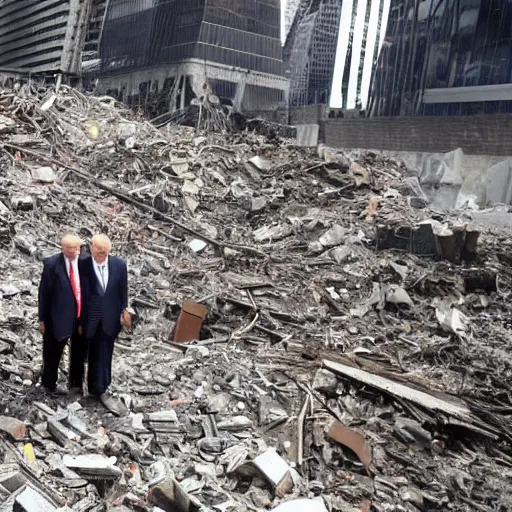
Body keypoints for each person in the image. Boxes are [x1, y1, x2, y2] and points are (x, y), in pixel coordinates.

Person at [80, 234, 131, 410]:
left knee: (106, 350)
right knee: (92, 351)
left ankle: (103, 385)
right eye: (97, 252)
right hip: (90, 316)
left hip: (111, 316)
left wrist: (124, 310)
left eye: (104, 253)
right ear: (91, 248)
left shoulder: (119, 265)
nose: (100, 255)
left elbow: (122, 291)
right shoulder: (83, 265)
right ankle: (93, 386)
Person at [38, 234, 86, 394]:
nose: (70, 252)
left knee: (79, 352)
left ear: (79, 248)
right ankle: (49, 384)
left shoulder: (86, 262)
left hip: (80, 316)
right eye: (66, 248)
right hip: (57, 316)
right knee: (52, 351)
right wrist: (42, 319)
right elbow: (44, 294)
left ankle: (76, 385)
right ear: (62, 248)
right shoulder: (52, 264)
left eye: (73, 249)